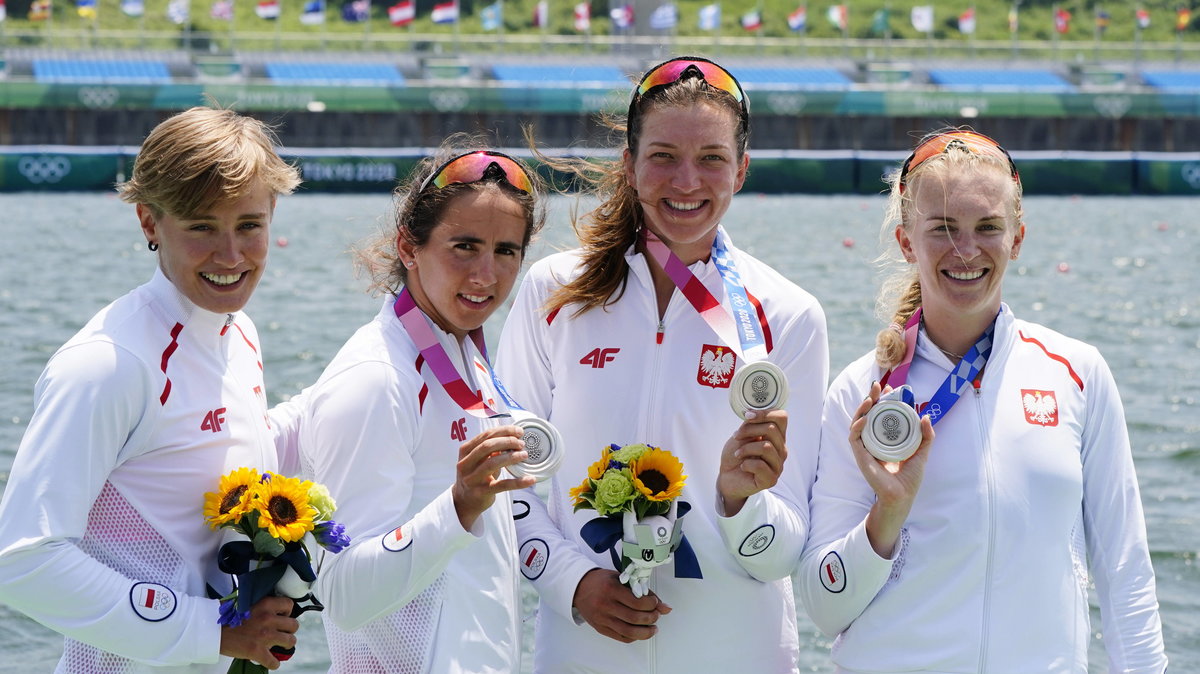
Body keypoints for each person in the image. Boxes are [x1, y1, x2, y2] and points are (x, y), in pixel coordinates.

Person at [496, 56, 828, 672]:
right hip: (582, 651)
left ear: (742, 169)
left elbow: (785, 552)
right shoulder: (553, 291)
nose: (686, 182)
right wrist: (572, 582)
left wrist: (741, 504)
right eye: (663, 156)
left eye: (711, 158)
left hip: (737, 654)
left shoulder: (788, 317)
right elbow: (504, 484)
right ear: (629, 163)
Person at [797, 129, 1168, 672]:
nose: (965, 251)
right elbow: (824, 608)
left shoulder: (1078, 373)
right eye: (942, 229)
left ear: (1017, 238)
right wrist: (888, 514)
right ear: (906, 241)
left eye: (987, 228)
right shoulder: (862, 393)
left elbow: (1125, 573)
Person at [0, 107, 303, 672]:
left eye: (249, 225)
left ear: (273, 215)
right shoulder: (105, 364)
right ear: (148, 222)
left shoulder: (241, 332)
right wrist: (214, 632)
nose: (231, 256)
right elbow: (22, 562)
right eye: (201, 227)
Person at [294, 143, 545, 671]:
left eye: (506, 251)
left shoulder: (462, 347)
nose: (486, 275)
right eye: (465, 246)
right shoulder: (376, 379)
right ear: (410, 247)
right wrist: (457, 508)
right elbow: (343, 596)